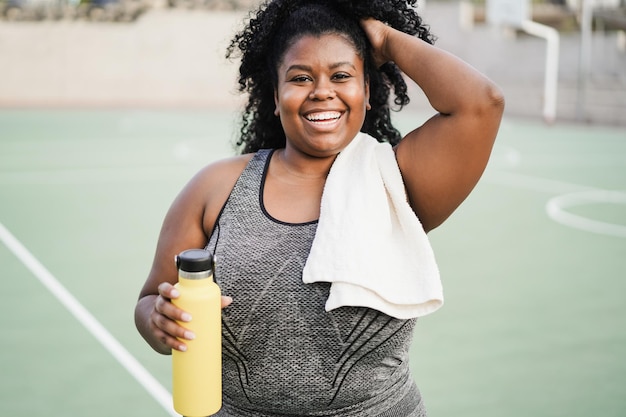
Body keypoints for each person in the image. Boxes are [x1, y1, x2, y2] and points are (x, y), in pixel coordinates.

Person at [134, 0, 504, 416]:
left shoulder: (399, 181)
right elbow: (151, 299)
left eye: (342, 75)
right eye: (301, 77)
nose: (322, 90)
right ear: (276, 97)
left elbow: (482, 103)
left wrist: (382, 38)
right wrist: (158, 320)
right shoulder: (214, 188)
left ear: (367, 91)